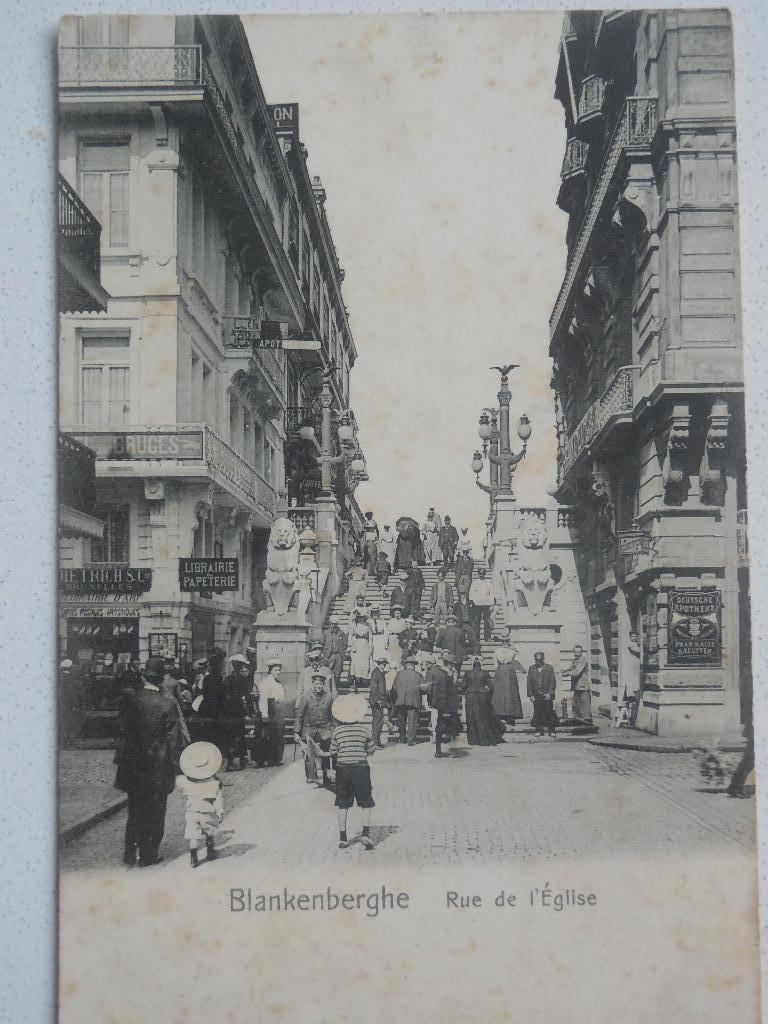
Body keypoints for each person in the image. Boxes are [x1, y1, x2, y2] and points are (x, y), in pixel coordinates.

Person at [114, 655, 184, 867]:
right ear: (162, 679)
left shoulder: (132, 701)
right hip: (157, 767)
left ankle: (129, 853)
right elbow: (174, 741)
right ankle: (148, 854)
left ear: (144, 677)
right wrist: (176, 766)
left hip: (134, 766)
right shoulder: (167, 704)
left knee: (134, 809)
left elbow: (121, 730)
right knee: (155, 810)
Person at [330, 694, 377, 849]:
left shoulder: (337, 732)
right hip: (361, 768)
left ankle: (343, 838)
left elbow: (332, 751)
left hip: (342, 769)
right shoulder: (365, 731)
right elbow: (371, 750)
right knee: (366, 802)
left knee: (342, 804)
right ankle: (365, 834)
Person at [176, 741, 224, 868]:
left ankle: (193, 857)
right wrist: (219, 812)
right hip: (207, 811)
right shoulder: (214, 782)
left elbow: (179, 781)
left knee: (193, 835)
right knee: (210, 831)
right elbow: (218, 798)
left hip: (191, 812)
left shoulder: (186, 781)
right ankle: (210, 851)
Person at [294, 672, 334, 787]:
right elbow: (300, 715)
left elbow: (333, 715)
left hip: (324, 728)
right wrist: (297, 732)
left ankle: (327, 776)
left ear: (323, 685)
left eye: (320, 684)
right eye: (316, 684)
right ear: (312, 684)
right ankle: (311, 775)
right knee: (308, 753)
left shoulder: (329, 696)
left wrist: (335, 730)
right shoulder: (306, 696)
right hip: (309, 728)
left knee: (327, 753)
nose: (318, 686)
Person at [461, 658, 505, 746]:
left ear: (472, 665)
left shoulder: (467, 673)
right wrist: (488, 696)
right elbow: (491, 687)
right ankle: (485, 739)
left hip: (471, 696)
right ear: (480, 665)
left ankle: (473, 740)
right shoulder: (485, 673)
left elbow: (463, 687)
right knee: (484, 717)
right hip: (483, 695)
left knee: (472, 718)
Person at [425, 651, 461, 757]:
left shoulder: (434, 671)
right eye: (452, 663)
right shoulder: (447, 674)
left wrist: (430, 701)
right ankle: (444, 749)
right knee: (447, 725)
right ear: (448, 663)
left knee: (440, 725)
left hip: (438, 703)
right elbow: (451, 690)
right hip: (447, 703)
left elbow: (429, 689)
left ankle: (439, 749)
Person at [222, 654, 253, 770]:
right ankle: (241, 760)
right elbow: (247, 695)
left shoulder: (228, 679)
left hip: (229, 710)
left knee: (231, 736)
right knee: (239, 734)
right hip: (238, 710)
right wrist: (250, 709)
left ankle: (231, 762)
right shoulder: (242, 679)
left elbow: (224, 695)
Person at [389, 654, 424, 746]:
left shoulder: (399, 675)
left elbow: (394, 689)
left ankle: (402, 738)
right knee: (412, 721)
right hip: (413, 701)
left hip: (400, 701)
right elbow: (424, 689)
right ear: (413, 665)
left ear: (406, 664)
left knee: (401, 721)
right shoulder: (418, 675)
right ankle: (411, 740)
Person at [258, 658, 286, 766]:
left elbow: (281, 696)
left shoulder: (278, 683)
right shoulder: (265, 682)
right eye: (275, 670)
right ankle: (261, 759)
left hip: (277, 709)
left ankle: (275, 759)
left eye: (279, 670)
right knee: (265, 734)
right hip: (269, 709)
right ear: (270, 670)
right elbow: (263, 698)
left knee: (277, 734)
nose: (278, 672)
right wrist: (264, 714)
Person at [527, 651, 558, 737]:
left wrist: (550, 693)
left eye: (540, 660)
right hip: (536, 695)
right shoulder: (531, 668)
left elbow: (552, 681)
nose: (538, 662)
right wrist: (531, 695)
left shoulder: (549, 668)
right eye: (536, 660)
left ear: (543, 659)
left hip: (547, 695)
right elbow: (529, 682)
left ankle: (551, 731)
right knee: (537, 713)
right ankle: (539, 730)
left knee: (549, 713)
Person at [296, 643, 334, 711]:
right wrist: (298, 705)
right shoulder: (304, 672)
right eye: (311, 660)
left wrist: (333, 704)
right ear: (309, 661)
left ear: (320, 660)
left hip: (323, 702)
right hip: (308, 703)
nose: (314, 662)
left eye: (316, 660)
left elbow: (332, 689)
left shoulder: (327, 671)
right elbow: (299, 689)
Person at [492, 648, 523, 726]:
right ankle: (500, 713)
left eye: (506, 641)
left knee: (510, 692)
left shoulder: (513, 651)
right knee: (500, 692)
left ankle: (511, 714)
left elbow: (516, 662)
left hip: (510, 671)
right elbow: (495, 664)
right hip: (500, 671)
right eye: (503, 641)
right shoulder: (497, 651)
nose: (504, 643)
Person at [564, 644, 591, 722]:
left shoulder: (583, 660)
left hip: (583, 687)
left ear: (581, 652)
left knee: (585, 706)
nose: (576, 654)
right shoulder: (574, 660)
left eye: (578, 652)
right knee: (577, 706)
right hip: (576, 686)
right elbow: (571, 669)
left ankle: (588, 724)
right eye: (575, 652)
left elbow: (576, 672)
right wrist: (565, 671)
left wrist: (567, 673)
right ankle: (581, 722)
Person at [347, 613, 373, 695]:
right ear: (357, 618)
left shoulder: (368, 626)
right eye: (359, 618)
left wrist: (370, 646)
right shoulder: (354, 625)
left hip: (365, 646)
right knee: (356, 664)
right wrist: (351, 645)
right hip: (357, 645)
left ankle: (363, 680)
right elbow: (350, 636)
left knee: (364, 664)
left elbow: (370, 637)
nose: (361, 619)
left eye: (362, 618)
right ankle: (355, 681)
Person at [368, 654, 390, 748]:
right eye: (381, 663)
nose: (382, 665)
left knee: (379, 721)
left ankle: (377, 742)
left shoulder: (380, 672)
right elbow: (373, 688)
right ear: (378, 664)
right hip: (376, 701)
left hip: (379, 700)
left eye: (384, 663)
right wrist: (378, 700)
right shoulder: (376, 673)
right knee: (377, 722)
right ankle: (375, 743)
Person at [469, 567, 494, 643]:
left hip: (486, 604)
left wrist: (491, 604)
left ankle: (487, 637)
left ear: (485, 574)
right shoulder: (474, 583)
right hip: (477, 604)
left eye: (483, 574)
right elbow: (471, 592)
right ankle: (477, 638)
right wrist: (472, 602)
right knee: (476, 622)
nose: (481, 575)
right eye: (480, 574)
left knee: (487, 622)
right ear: (478, 574)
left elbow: (491, 594)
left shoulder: (488, 582)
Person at [323, 624, 346, 693]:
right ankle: (328, 688)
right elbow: (322, 643)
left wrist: (341, 649)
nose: (333, 628)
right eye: (332, 625)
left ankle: (336, 688)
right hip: (329, 655)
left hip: (338, 655)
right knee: (328, 672)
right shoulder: (325, 632)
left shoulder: (341, 633)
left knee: (338, 672)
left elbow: (345, 643)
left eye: (335, 626)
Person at [386, 606, 407, 671]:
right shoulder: (391, 621)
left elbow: (404, 630)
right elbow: (388, 631)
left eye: (398, 613)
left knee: (399, 654)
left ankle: (399, 668)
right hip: (392, 638)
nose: (397, 615)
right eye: (396, 613)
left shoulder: (403, 621)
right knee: (392, 653)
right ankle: (392, 668)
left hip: (399, 638)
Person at [363, 511, 380, 576]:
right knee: (367, 556)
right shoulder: (366, 522)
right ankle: (368, 570)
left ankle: (372, 571)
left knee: (372, 556)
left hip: (371, 539)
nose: (368, 517)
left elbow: (376, 530)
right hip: (367, 539)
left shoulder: (373, 522)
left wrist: (377, 538)